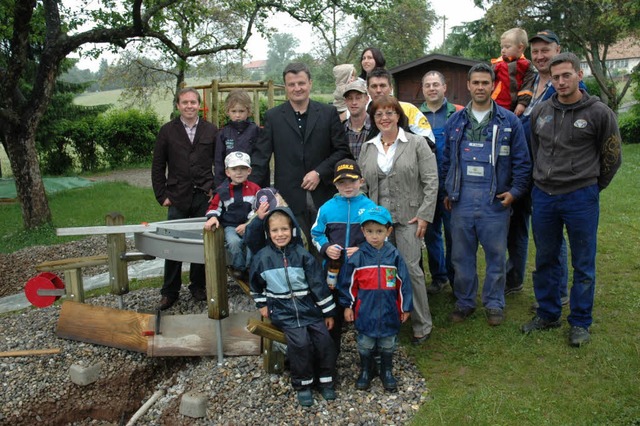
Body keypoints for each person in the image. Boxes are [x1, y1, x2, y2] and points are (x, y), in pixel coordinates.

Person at [521, 52, 622, 347]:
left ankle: (579, 321)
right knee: (545, 258)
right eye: (556, 77)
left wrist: (591, 186)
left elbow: (612, 157)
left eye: (567, 75)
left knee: (583, 263)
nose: (562, 82)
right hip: (544, 198)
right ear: (550, 80)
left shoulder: (599, 113)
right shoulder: (541, 112)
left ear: (580, 75)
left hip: (581, 198)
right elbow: (534, 150)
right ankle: (549, 312)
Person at [442, 63, 531, 326]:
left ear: (494, 85)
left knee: (495, 255)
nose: (480, 87)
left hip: (495, 201)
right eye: (476, 83)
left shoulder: (509, 121)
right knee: (461, 256)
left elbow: (522, 162)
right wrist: (448, 191)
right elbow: (445, 160)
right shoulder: (455, 122)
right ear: (468, 86)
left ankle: (494, 303)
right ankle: (465, 302)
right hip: (462, 200)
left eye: (485, 83)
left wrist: (514, 192)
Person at [505, 30, 587, 304]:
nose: (540, 56)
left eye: (546, 50)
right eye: (536, 51)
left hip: (550, 177)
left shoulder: (567, 86)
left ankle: (558, 290)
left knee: (549, 237)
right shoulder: (529, 80)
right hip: (521, 171)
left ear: (557, 50)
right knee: (516, 226)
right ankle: (514, 278)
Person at [358, 95, 438, 345]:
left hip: (409, 218)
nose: (384, 118)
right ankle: (389, 319)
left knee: (411, 269)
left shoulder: (416, 143)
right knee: (382, 271)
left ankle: (422, 324)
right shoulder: (367, 147)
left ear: (398, 116)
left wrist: (424, 215)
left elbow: (431, 181)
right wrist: (366, 216)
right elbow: (362, 186)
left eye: (389, 113)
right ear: (374, 119)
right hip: (378, 224)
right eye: (379, 114)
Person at [251, 62, 351, 253]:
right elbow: (261, 158)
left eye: (301, 83)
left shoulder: (328, 113)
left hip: (324, 194)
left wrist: (319, 173)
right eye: (292, 84)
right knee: (295, 250)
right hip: (288, 196)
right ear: (286, 87)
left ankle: (325, 283)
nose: (297, 88)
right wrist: (255, 195)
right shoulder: (273, 117)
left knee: (327, 249)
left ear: (310, 83)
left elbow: (342, 151)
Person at [249, 207, 337, 406]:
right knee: (300, 343)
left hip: (308, 309)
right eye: (275, 231)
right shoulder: (262, 258)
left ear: (292, 230)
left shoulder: (303, 255)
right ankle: (303, 384)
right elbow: (255, 284)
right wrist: (262, 304)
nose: (280, 235)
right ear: (268, 233)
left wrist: (328, 312)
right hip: (283, 311)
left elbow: (318, 286)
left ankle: (326, 381)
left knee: (324, 340)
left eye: (284, 230)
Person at [151, 87, 217, 310]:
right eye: (185, 102)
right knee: (173, 245)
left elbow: (220, 163)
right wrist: (162, 196)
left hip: (203, 196)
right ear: (177, 105)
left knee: (201, 243)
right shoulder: (167, 131)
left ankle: (198, 286)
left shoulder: (210, 130)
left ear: (199, 105)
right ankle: (170, 291)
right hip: (177, 196)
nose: (189, 106)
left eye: (193, 102)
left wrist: (214, 190)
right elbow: (158, 166)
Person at [340, 205, 412, 392]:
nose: (374, 236)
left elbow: (403, 283)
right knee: (365, 343)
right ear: (363, 231)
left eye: (379, 231)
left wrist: (405, 308)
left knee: (388, 344)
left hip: (389, 311)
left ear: (388, 231)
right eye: (370, 231)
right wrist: (348, 306)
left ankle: (386, 371)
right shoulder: (358, 256)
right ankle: (366, 370)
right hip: (365, 311)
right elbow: (348, 284)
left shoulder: (394, 255)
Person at [311, 159, 377, 356]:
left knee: (364, 312)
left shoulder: (370, 207)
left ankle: (368, 358)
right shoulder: (327, 208)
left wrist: (362, 249)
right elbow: (316, 233)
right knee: (334, 313)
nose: (347, 186)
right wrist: (326, 247)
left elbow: (380, 236)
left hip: (362, 271)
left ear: (361, 181)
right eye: (342, 182)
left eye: (352, 181)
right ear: (335, 184)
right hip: (334, 271)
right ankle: (331, 357)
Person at [419, 71, 463, 294]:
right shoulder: (415, 115)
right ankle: (439, 277)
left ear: (444, 87)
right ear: (423, 89)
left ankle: (457, 280)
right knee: (430, 233)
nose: (432, 88)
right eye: (428, 85)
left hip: (452, 184)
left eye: (436, 84)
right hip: (426, 186)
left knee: (454, 233)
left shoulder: (457, 112)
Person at [204, 152, 261, 280]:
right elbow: (214, 207)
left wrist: (248, 225)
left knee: (253, 240)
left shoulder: (255, 189)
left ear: (249, 171)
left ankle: (251, 267)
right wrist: (213, 217)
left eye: (243, 169)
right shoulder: (222, 190)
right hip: (230, 225)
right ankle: (238, 268)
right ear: (228, 172)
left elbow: (258, 209)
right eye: (234, 169)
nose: (238, 172)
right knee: (234, 242)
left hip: (249, 224)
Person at [366, 67, 435, 143]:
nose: (378, 90)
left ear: (391, 88)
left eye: (382, 86)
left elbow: (429, 142)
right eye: (374, 86)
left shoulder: (409, 109)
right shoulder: (363, 115)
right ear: (368, 90)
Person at [214, 90, 260, 187]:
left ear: (249, 111)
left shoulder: (256, 131)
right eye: (233, 111)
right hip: (229, 184)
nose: (237, 115)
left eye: (241, 111)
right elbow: (219, 162)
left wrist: (254, 184)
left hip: (251, 184)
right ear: (228, 111)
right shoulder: (223, 133)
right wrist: (220, 187)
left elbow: (259, 160)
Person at [490, 27, 536, 116]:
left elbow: (528, 85)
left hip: (512, 107)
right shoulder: (498, 63)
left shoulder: (526, 65)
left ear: (520, 47)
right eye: (502, 47)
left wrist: (522, 103)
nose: (503, 50)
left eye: (507, 47)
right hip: (494, 103)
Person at [342, 80, 374, 160]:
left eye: (358, 98)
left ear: (367, 99)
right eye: (350, 98)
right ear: (345, 101)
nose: (354, 102)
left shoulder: (376, 127)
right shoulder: (340, 129)